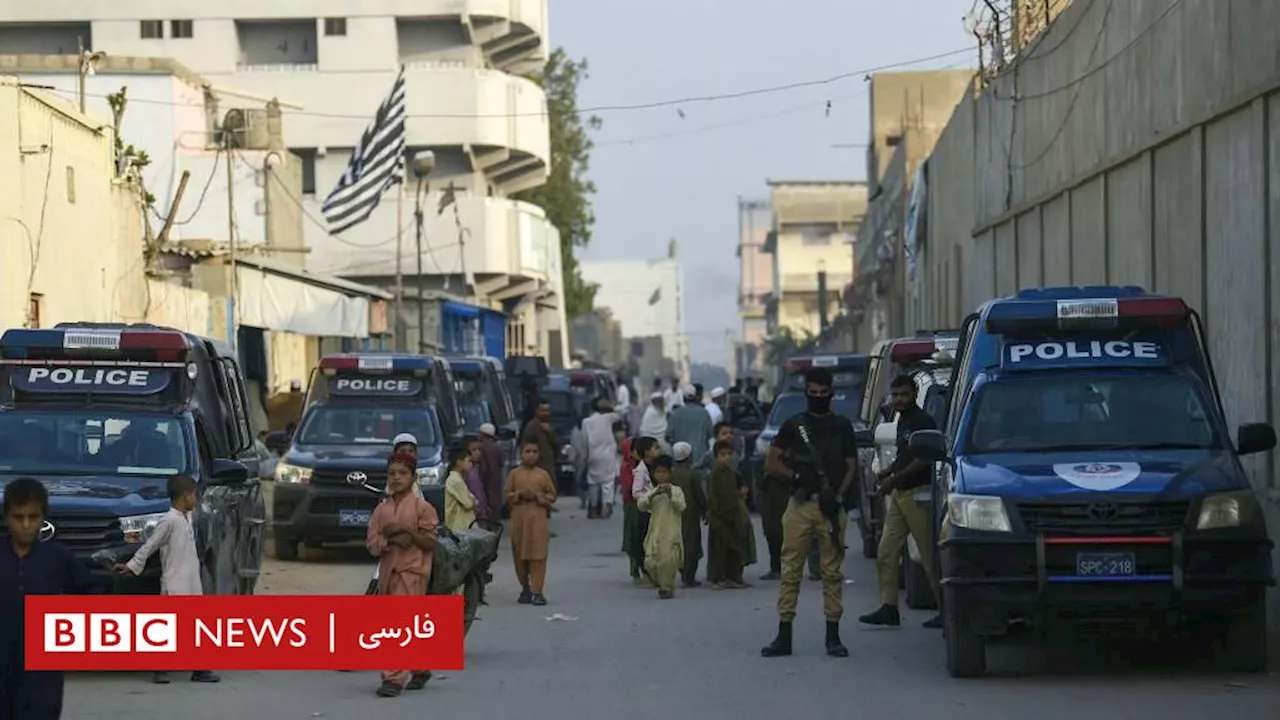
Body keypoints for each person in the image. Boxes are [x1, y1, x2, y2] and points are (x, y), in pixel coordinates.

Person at [761, 366, 858, 659]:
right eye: (813, 393)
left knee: (831, 573)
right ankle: (784, 635)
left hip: (829, 507)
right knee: (790, 571)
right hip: (800, 505)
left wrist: (838, 495)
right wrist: (797, 478)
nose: (818, 397)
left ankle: (833, 637)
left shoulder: (841, 425)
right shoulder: (794, 425)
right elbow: (772, 463)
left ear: (831, 393)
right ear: (806, 393)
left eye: (823, 393)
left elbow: (851, 465)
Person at [1, 478, 99, 720]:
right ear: (6, 517)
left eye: (33, 517)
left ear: (43, 518)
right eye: (18, 517)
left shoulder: (57, 558)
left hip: (42, 672)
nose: (25, 525)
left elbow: (93, 596)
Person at [116, 474, 220, 685]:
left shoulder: (186, 518)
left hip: (191, 582)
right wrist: (133, 566)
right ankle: (161, 669)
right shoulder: (169, 520)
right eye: (193, 496)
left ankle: (200, 669)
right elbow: (150, 546)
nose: (196, 500)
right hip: (175, 583)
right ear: (184, 497)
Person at [859, 375, 944, 630]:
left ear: (914, 393)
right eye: (895, 395)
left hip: (919, 494)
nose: (899, 400)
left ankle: (947, 611)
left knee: (929, 557)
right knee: (886, 551)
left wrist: (893, 479)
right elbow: (906, 455)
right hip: (901, 495)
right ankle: (889, 607)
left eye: (904, 395)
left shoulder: (922, 421)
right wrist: (888, 473)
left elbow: (924, 458)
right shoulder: (902, 420)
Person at [366, 449, 438, 697]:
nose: (396, 478)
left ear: (414, 477)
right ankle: (419, 668)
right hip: (388, 573)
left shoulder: (422, 508)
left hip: (413, 573)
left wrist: (408, 535)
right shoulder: (381, 510)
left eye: (402, 473)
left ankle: (393, 679)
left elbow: (430, 542)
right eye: (391, 474)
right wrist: (390, 537)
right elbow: (372, 543)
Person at [505, 441, 557, 606]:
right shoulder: (514, 474)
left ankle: (538, 591)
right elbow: (507, 494)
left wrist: (537, 497)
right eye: (527, 451)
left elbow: (552, 496)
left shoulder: (543, 475)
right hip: (519, 521)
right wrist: (519, 495)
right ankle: (525, 587)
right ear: (521, 454)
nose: (531, 455)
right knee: (520, 555)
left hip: (538, 521)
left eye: (534, 451)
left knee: (538, 556)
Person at [639, 455, 686, 599]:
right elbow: (641, 505)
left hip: (671, 532)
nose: (662, 475)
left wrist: (670, 494)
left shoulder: (676, 490)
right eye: (658, 472)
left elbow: (681, 506)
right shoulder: (652, 491)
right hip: (655, 531)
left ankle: (666, 587)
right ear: (654, 474)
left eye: (664, 472)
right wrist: (653, 495)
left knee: (668, 560)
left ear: (670, 473)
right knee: (650, 562)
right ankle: (660, 582)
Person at [706, 441, 748, 589]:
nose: (726, 458)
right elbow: (712, 498)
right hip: (719, 519)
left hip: (733, 517)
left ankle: (733, 576)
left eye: (729, 455)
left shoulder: (731, 473)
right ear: (716, 457)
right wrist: (718, 515)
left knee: (734, 549)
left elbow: (732, 494)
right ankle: (715, 578)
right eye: (722, 455)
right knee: (719, 551)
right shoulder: (715, 475)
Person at [669, 442, 706, 587]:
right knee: (692, 544)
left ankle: (682, 570)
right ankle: (689, 575)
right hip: (691, 513)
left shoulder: (671, 473)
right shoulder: (693, 474)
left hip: (675, 513)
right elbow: (699, 495)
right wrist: (705, 510)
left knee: (678, 542)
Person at [629, 436, 662, 586]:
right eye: (655, 448)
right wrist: (650, 496)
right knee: (645, 542)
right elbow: (636, 492)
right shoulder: (641, 471)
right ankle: (647, 572)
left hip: (659, 511)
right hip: (646, 512)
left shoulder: (658, 466)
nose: (658, 450)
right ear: (647, 452)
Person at [581, 398, 621, 519]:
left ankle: (593, 509)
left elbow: (584, 442)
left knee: (593, 483)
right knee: (608, 483)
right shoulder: (608, 418)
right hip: (608, 456)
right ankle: (606, 506)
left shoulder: (586, 422)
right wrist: (610, 406)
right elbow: (619, 414)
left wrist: (585, 458)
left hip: (593, 456)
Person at [666, 385, 713, 468]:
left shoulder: (675, 414)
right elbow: (710, 434)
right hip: (700, 457)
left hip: (681, 458)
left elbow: (668, 436)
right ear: (695, 397)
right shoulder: (704, 413)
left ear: (683, 398)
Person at [520, 400, 559, 489]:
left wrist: (550, 433)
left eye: (548, 410)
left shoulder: (550, 426)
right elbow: (526, 446)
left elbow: (555, 446)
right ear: (537, 411)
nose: (546, 413)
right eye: (543, 410)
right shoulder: (531, 426)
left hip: (548, 467)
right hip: (536, 468)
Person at [618, 436, 641, 582]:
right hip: (632, 505)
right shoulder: (626, 467)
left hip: (642, 503)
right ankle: (635, 569)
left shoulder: (642, 466)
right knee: (632, 536)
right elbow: (628, 488)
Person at [444, 443, 478, 533]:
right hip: (459, 526)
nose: (471, 464)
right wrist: (474, 501)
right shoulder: (455, 480)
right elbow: (469, 503)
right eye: (469, 461)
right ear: (459, 462)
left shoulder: (459, 478)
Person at [476, 424, 506, 521]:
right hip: (496, 480)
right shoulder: (498, 447)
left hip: (487, 482)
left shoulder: (482, 448)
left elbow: (483, 469)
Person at [463, 436, 489, 522]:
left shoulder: (476, 469)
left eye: (479, 450)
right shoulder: (465, 471)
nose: (478, 453)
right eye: (474, 450)